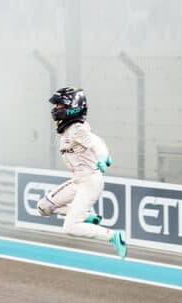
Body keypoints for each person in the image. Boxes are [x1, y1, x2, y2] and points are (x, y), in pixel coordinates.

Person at [36, 87, 127, 259]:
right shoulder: (67, 130)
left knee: (70, 227)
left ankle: (113, 236)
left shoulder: (77, 128)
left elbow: (97, 142)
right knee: (43, 207)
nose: (56, 109)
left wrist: (102, 157)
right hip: (78, 181)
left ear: (73, 107)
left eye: (60, 105)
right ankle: (87, 215)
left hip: (90, 182)